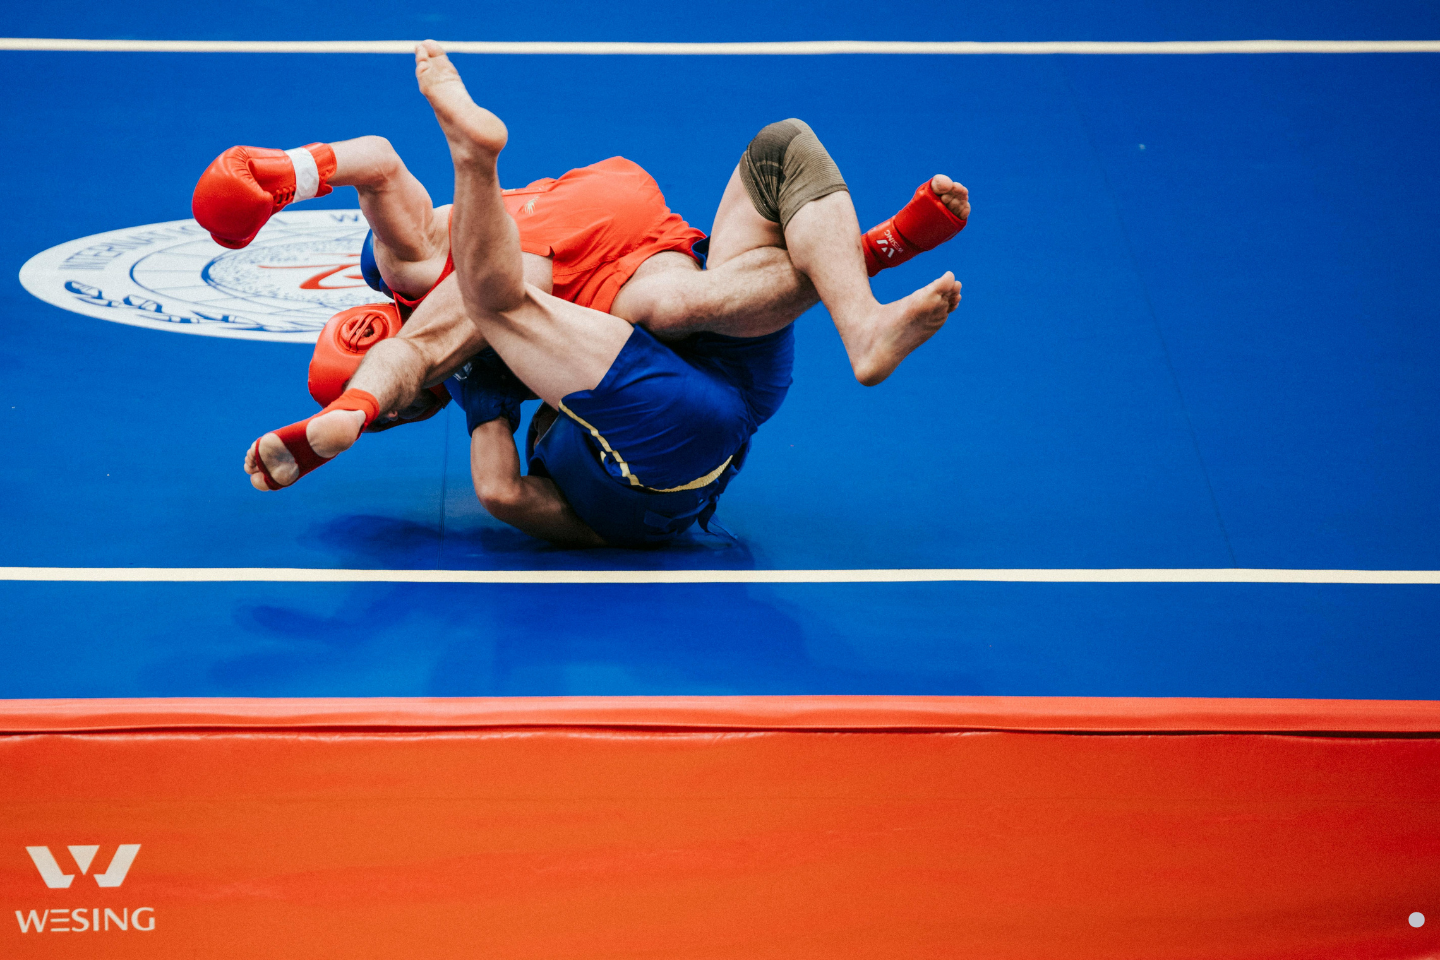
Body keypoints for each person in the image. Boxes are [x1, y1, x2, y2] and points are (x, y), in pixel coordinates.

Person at [198, 44, 969, 545]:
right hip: (651, 303)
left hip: (674, 346)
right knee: (661, 301)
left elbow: (491, 478)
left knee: (775, 156)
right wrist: (289, 170)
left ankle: (863, 304)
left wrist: (290, 171)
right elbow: (384, 182)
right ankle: (869, 260)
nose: (359, 329)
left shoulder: (431, 307)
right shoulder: (455, 334)